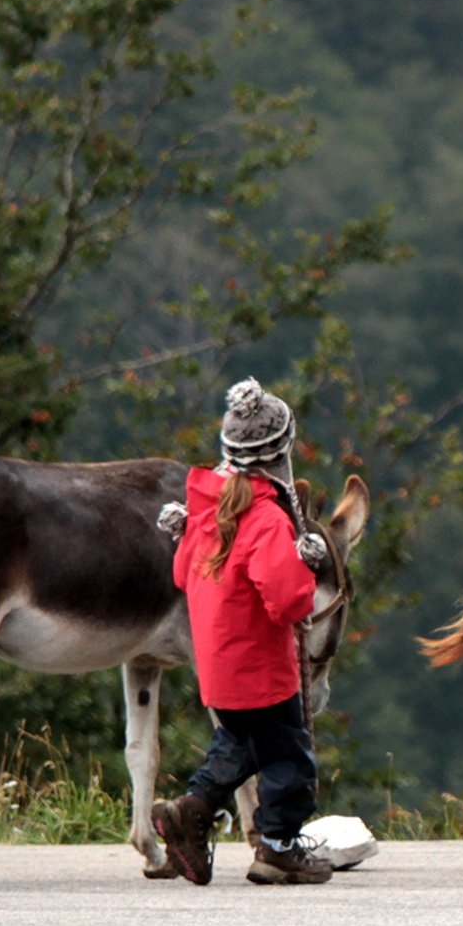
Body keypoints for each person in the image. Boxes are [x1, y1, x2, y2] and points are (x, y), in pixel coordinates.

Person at [149, 380, 338, 886]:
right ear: (279, 454)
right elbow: (288, 601)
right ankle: (277, 849)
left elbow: (182, 576)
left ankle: (189, 810)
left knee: (237, 746)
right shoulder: (265, 519)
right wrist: (305, 565)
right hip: (261, 668)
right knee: (289, 758)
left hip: (219, 667)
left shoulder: (205, 511)